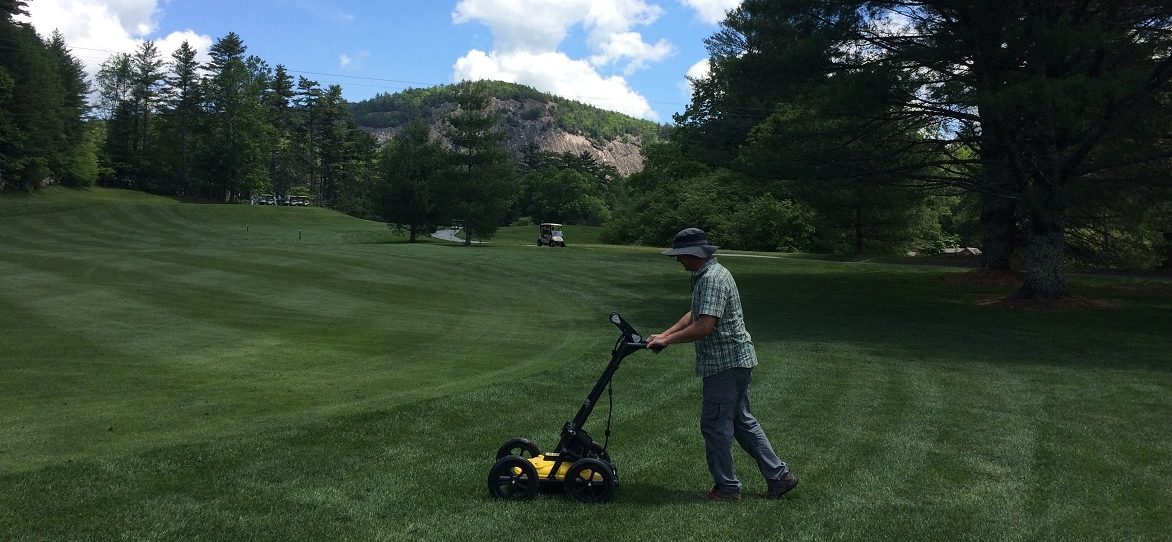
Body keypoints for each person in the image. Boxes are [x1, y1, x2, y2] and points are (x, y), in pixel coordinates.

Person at [646, 228, 798, 501]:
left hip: (725, 365)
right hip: (736, 361)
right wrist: (665, 334)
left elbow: (704, 326)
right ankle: (779, 477)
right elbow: (696, 312)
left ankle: (727, 489)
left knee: (715, 425)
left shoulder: (712, 279)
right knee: (741, 421)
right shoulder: (706, 276)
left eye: (680, 255)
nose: (677, 260)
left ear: (694, 254)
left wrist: (668, 342)